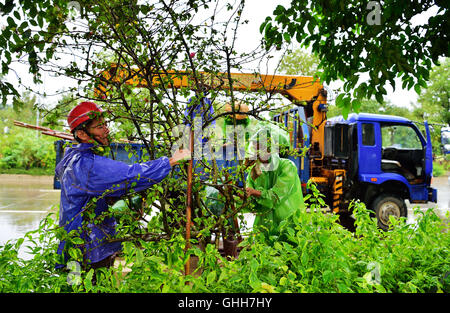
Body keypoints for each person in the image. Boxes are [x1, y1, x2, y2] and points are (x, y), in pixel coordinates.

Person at [55, 101, 190, 270]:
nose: (106, 130)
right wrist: (171, 161)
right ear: (82, 134)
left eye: (105, 124)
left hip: (73, 243)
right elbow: (131, 175)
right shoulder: (88, 165)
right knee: (92, 286)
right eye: (99, 127)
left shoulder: (72, 157)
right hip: (89, 247)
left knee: (72, 285)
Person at [245, 126, 305, 238]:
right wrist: (243, 197)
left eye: (260, 147)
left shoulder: (287, 167)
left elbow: (276, 197)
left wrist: (254, 192)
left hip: (289, 227)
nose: (257, 152)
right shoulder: (254, 171)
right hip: (264, 229)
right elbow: (253, 204)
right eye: (255, 148)